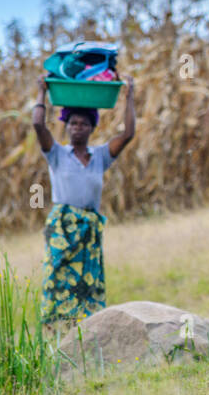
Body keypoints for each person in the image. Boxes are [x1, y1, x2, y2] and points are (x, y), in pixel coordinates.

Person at [31, 74, 136, 331]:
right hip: (63, 226)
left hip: (89, 227)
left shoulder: (100, 156)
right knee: (58, 276)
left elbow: (129, 133)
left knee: (88, 279)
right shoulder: (56, 154)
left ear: (92, 128)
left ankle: (88, 330)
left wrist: (130, 94)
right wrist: (42, 93)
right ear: (66, 127)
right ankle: (56, 329)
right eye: (73, 123)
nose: (78, 127)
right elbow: (38, 125)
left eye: (84, 124)